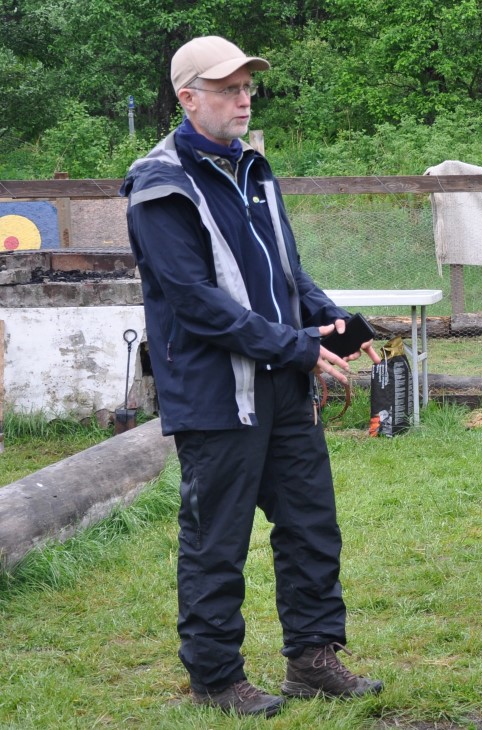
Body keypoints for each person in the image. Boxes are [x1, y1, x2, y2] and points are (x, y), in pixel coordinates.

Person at [122, 36, 384, 717]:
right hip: (215, 395)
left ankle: (313, 659)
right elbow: (196, 302)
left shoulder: (253, 168)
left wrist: (335, 322)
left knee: (310, 525)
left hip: (282, 384)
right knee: (217, 542)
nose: (243, 99)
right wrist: (296, 348)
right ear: (188, 98)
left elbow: (286, 270)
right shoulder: (160, 183)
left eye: (247, 88)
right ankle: (215, 678)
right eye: (227, 89)